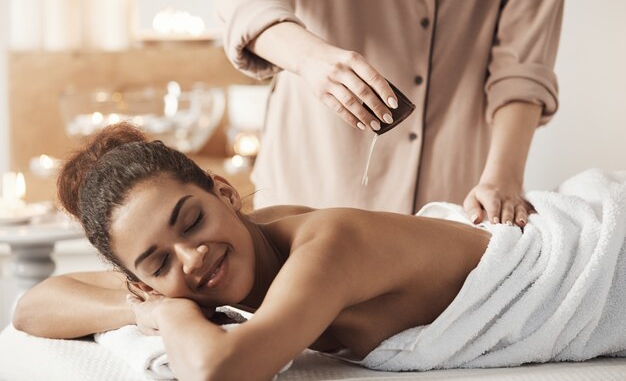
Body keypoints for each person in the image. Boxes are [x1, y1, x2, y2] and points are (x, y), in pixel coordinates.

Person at [12, 124, 626, 380]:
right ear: (138, 277)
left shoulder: (325, 247)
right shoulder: (221, 263)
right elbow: (32, 307)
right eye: (158, 262)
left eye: (191, 221)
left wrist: (168, 311)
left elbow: (220, 370)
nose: (192, 258)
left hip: (602, 260)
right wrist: (137, 309)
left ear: (223, 192)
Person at [214, 0, 570, 226]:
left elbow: (523, 64)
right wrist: (310, 58)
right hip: (312, 180)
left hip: (454, 201)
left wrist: (503, 179)